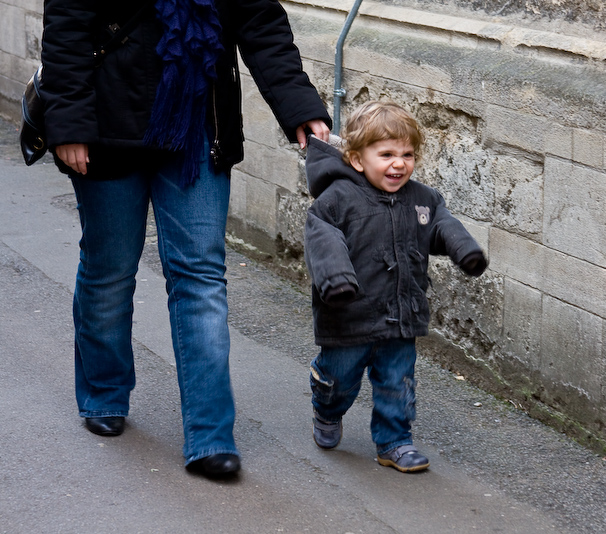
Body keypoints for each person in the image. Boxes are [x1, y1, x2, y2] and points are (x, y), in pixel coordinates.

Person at [40, 0, 331, 478]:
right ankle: (104, 393)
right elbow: (67, 27)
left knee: (200, 275)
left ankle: (210, 434)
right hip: (108, 123)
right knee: (109, 268)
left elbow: (258, 19)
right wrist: (68, 123)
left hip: (197, 124)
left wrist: (299, 106)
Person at [303, 101, 487, 473]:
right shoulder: (336, 201)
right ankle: (326, 408)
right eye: (386, 154)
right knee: (340, 382)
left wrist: (464, 250)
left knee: (396, 383)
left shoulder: (423, 199)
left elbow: (441, 225)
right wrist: (336, 280)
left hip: (402, 314)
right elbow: (323, 241)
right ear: (357, 159)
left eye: (407, 154)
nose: (399, 164)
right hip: (348, 315)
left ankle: (394, 442)